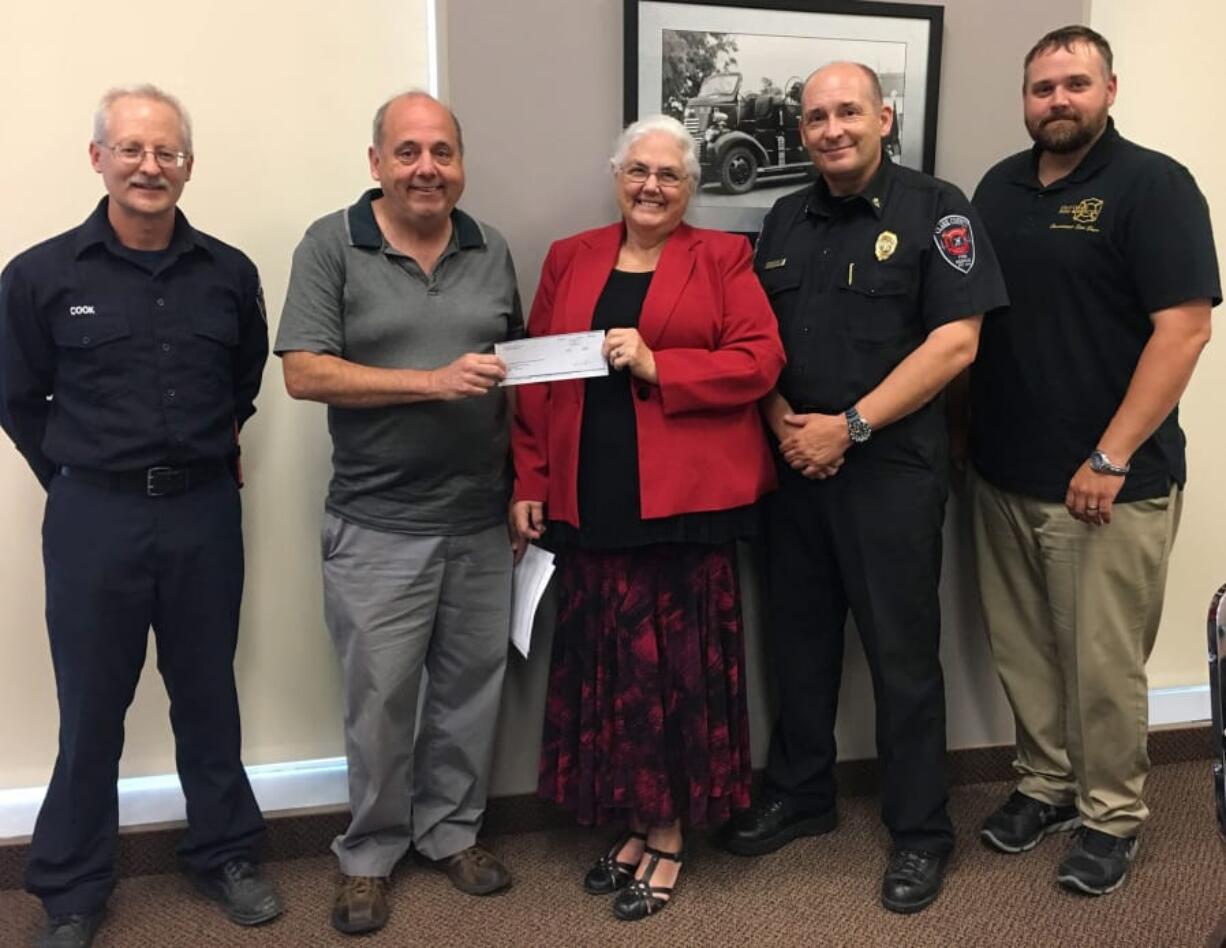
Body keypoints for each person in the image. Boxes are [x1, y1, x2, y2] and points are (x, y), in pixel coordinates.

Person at [718, 62, 1008, 914]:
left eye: (848, 111)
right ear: (800, 130)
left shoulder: (937, 208)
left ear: (885, 117)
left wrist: (845, 428)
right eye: (816, 117)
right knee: (797, 645)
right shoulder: (780, 218)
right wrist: (785, 427)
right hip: (793, 467)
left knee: (903, 660)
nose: (832, 128)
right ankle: (802, 793)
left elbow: (957, 344)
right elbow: (750, 342)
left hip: (887, 473)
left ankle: (921, 832)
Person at [0, 85, 280, 948]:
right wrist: (84, 481)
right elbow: (17, 397)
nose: (150, 166)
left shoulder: (228, 273)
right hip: (94, 519)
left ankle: (226, 851)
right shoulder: (40, 275)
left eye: (167, 152)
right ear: (99, 159)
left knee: (207, 694)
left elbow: (243, 384)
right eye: (131, 150)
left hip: (201, 511)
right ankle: (74, 888)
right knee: (92, 706)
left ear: (188, 165)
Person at [510, 114, 783, 922]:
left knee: (671, 676)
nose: (651, 186)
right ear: (617, 177)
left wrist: (664, 365)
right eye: (637, 171)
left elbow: (760, 358)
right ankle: (635, 820)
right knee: (613, 675)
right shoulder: (571, 257)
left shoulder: (724, 256)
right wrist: (529, 476)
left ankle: (666, 834)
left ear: (691, 187)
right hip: (589, 502)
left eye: (668, 174)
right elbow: (533, 375)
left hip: (684, 506)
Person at [969, 25, 1218, 896]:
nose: (1058, 101)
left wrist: (1110, 456)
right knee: (1026, 651)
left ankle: (1111, 815)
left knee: (1102, 666)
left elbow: (1185, 329)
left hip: (1107, 481)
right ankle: (1045, 786)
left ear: (1110, 88)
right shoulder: (997, 188)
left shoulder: (1155, 185)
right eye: (1043, 88)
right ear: (1026, 98)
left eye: (1075, 84)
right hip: (1001, 471)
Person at [276, 91, 521, 935]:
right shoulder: (330, 244)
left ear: (461, 162)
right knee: (379, 701)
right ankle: (370, 856)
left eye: (443, 152)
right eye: (408, 152)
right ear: (376, 162)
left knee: (468, 692)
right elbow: (304, 371)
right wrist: (430, 383)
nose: (428, 168)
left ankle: (450, 833)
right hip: (378, 524)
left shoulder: (493, 250)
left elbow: (516, 375)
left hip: (481, 520)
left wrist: (529, 484)